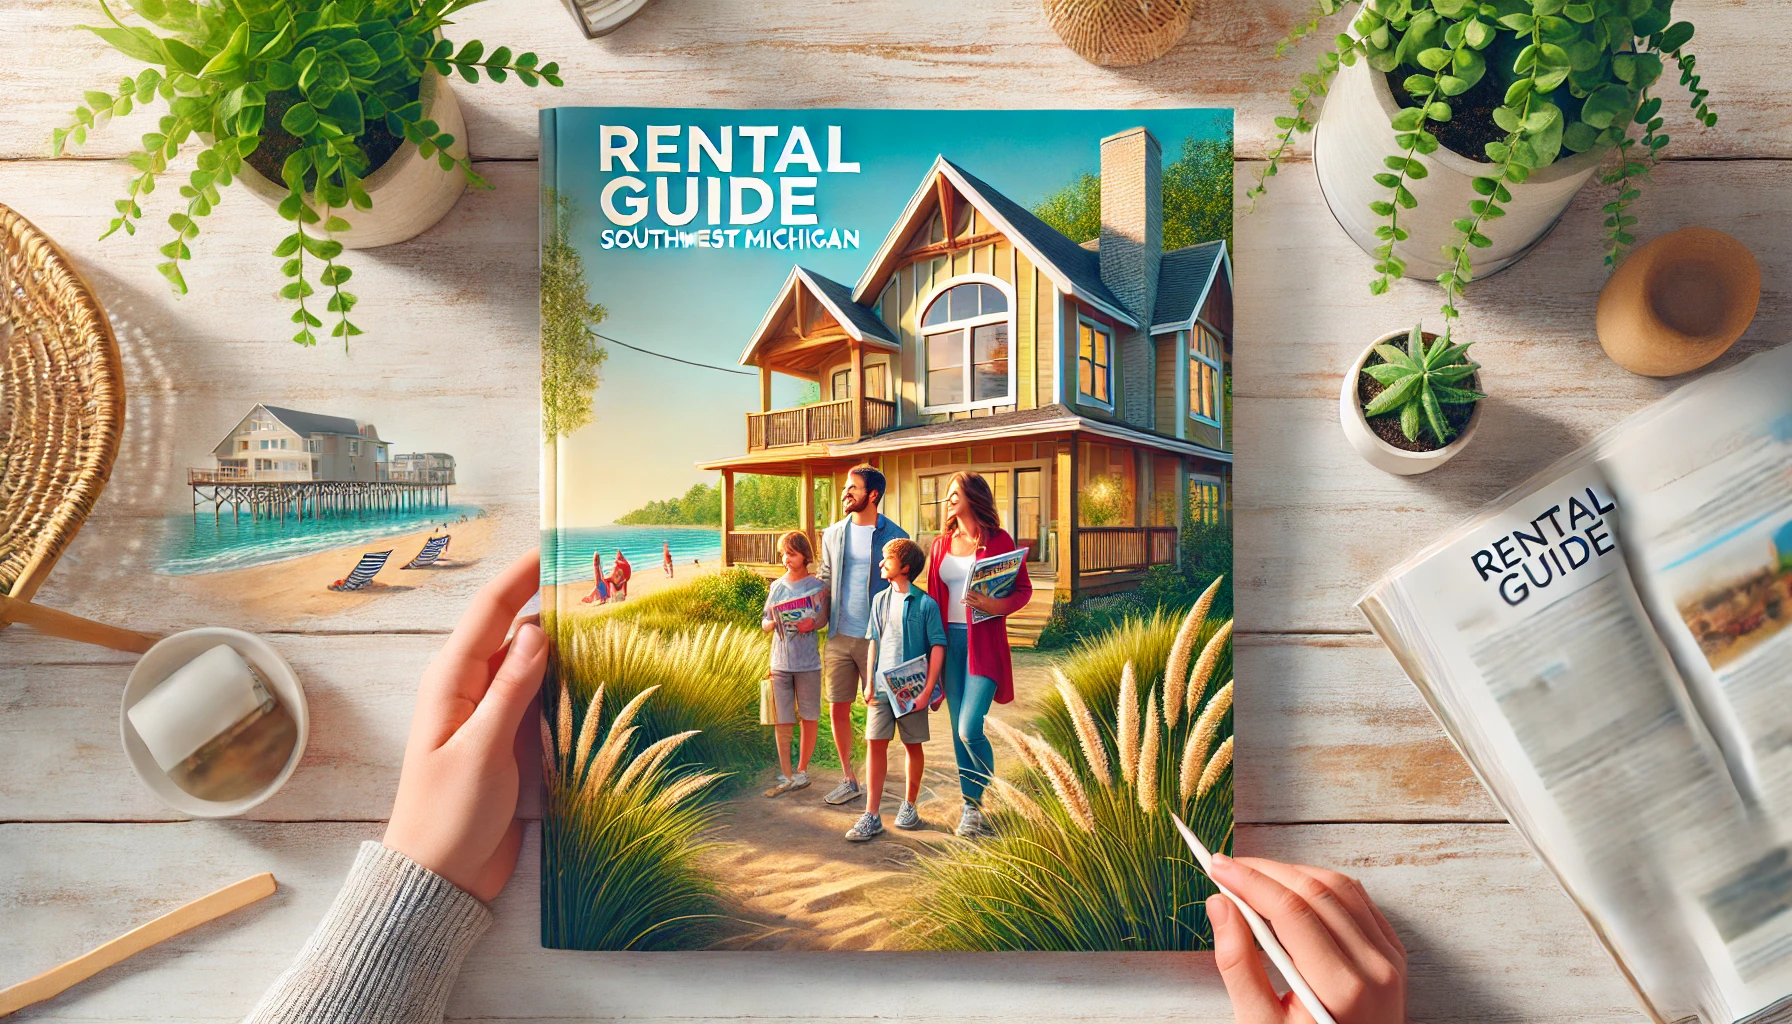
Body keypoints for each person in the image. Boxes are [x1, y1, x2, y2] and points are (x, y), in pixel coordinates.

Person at [241, 552, 1409, 1024]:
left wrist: (418, 893)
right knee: (867, 744)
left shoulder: (920, 595)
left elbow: (953, 627)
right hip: (871, 679)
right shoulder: (859, 594)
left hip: (910, 675)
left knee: (905, 748)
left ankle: (903, 802)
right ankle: (875, 800)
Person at [927, 471, 1031, 838]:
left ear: (973, 496)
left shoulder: (999, 540)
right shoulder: (941, 544)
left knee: (969, 728)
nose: (949, 499)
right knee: (957, 734)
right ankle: (971, 808)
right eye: (947, 494)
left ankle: (989, 790)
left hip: (982, 643)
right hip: (948, 643)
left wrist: (993, 604)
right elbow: (932, 599)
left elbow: (1023, 590)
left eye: (955, 493)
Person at [814, 464, 908, 807]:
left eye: (853, 488)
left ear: (873, 495)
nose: (845, 493)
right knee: (838, 707)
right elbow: (825, 579)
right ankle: (848, 778)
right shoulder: (833, 534)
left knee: (875, 708)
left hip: (877, 640)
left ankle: (873, 780)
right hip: (838, 634)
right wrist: (815, 618)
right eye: (844, 487)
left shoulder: (896, 536)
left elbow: (901, 586)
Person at [846, 537, 946, 841]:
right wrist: (868, 681)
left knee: (911, 745)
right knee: (875, 743)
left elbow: (938, 647)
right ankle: (871, 815)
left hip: (913, 690)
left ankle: (909, 805)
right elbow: (873, 641)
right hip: (880, 689)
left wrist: (927, 691)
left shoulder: (926, 604)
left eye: (886, 559)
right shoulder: (879, 600)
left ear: (904, 567)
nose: (880, 563)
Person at [760, 530, 827, 797]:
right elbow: (764, 622)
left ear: (805, 556)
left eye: (792, 553)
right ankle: (786, 775)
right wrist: (773, 622)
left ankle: (802, 771)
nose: (786, 559)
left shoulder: (819, 587)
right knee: (783, 720)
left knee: (809, 716)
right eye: (784, 554)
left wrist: (812, 623)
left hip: (808, 662)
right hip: (780, 663)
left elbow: (823, 620)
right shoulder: (777, 586)